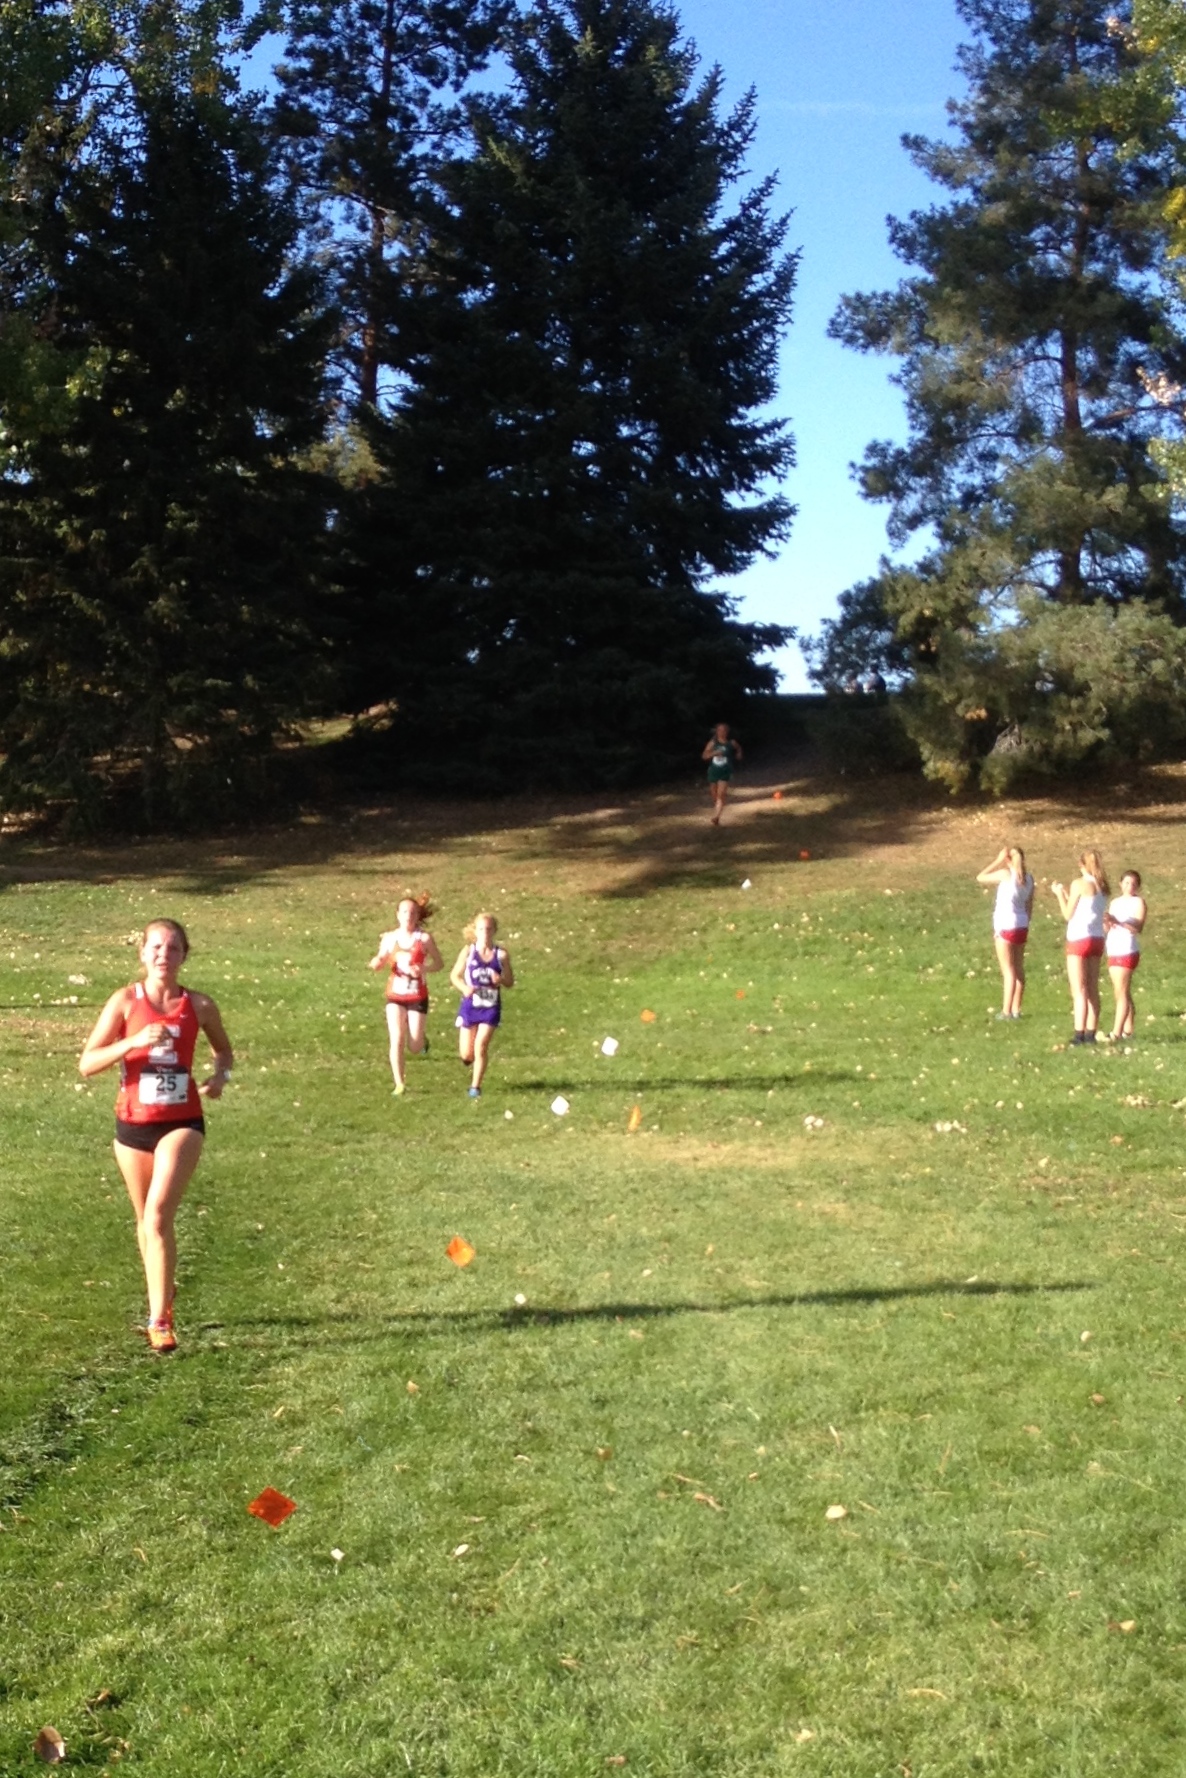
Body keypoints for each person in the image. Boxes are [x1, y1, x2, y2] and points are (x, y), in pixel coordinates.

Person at [78, 919, 233, 1353]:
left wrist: (220, 1077)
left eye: (173, 947)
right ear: (143, 953)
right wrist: (132, 1042)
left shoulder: (200, 1005)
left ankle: (158, 1319)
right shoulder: (125, 1002)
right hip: (132, 1125)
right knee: (144, 1219)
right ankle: (162, 1290)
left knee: (159, 1215)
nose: (164, 954)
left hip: (182, 1123)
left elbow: (224, 1051)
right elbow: (87, 1064)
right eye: (157, 947)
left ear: (185, 955)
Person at [368, 894, 443, 1095]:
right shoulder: (390, 938)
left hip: (417, 995)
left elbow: (439, 963)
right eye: (404, 912)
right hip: (395, 995)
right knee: (396, 1038)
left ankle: (421, 1039)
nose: (408, 916)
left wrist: (424, 969)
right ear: (397, 915)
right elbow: (381, 958)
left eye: (412, 913)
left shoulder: (424, 939)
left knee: (415, 1046)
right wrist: (377, 962)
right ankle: (399, 1084)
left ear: (418, 916)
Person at [449, 913, 515, 1098]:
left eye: (488, 929)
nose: (485, 933)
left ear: (494, 931)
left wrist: (500, 979)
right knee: (466, 1054)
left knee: (481, 1045)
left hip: (490, 1007)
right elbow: (454, 976)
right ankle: (469, 1060)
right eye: (481, 929)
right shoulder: (468, 952)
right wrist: (464, 988)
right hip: (470, 1005)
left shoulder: (501, 955)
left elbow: (510, 981)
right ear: (475, 931)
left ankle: (475, 1087)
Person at [1052, 851, 1110, 1044]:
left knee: (1079, 990)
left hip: (1078, 939)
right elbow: (1086, 907)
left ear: (1081, 865)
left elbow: (1068, 914)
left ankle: (1079, 1033)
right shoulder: (1102, 886)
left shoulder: (1079, 884)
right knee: (1093, 988)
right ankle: (1091, 1033)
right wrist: (1067, 895)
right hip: (1096, 939)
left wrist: (1059, 894)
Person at [976, 844, 1035, 1019]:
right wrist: (1026, 923)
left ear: (1008, 859)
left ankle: (1006, 1011)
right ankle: (1016, 1009)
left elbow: (980, 877)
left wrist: (998, 860)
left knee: (1008, 970)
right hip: (1022, 924)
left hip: (1006, 925)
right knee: (1019, 968)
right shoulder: (1029, 879)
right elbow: (1029, 905)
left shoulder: (1006, 874)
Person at [1104, 869, 1147, 1041]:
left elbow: (1137, 927)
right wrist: (1107, 922)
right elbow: (1108, 928)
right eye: (1127, 883)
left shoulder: (1138, 903)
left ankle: (1116, 1032)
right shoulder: (1115, 902)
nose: (1130, 886)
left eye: (1134, 884)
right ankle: (1128, 1030)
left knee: (1121, 993)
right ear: (1120, 884)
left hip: (1127, 949)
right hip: (1113, 948)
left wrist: (1119, 922)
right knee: (1121, 991)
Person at [702, 722, 742, 826]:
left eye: (724, 730)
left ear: (727, 732)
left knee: (721, 794)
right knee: (714, 795)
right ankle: (718, 809)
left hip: (725, 771)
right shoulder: (713, 743)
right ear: (716, 732)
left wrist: (739, 754)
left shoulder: (731, 743)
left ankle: (716, 817)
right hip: (713, 771)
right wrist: (714, 753)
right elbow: (704, 756)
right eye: (719, 730)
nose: (722, 732)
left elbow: (738, 748)